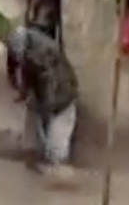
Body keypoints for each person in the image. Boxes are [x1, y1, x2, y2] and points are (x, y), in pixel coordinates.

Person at [5, 25, 79, 168]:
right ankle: (32, 161)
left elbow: (50, 83)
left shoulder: (43, 52)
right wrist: (20, 88)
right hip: (40, 93)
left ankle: (59, 170)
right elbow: (14, 65)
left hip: (62, 97)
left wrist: (46, 112)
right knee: (31, 140)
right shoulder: (18, 44)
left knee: (56, 148)